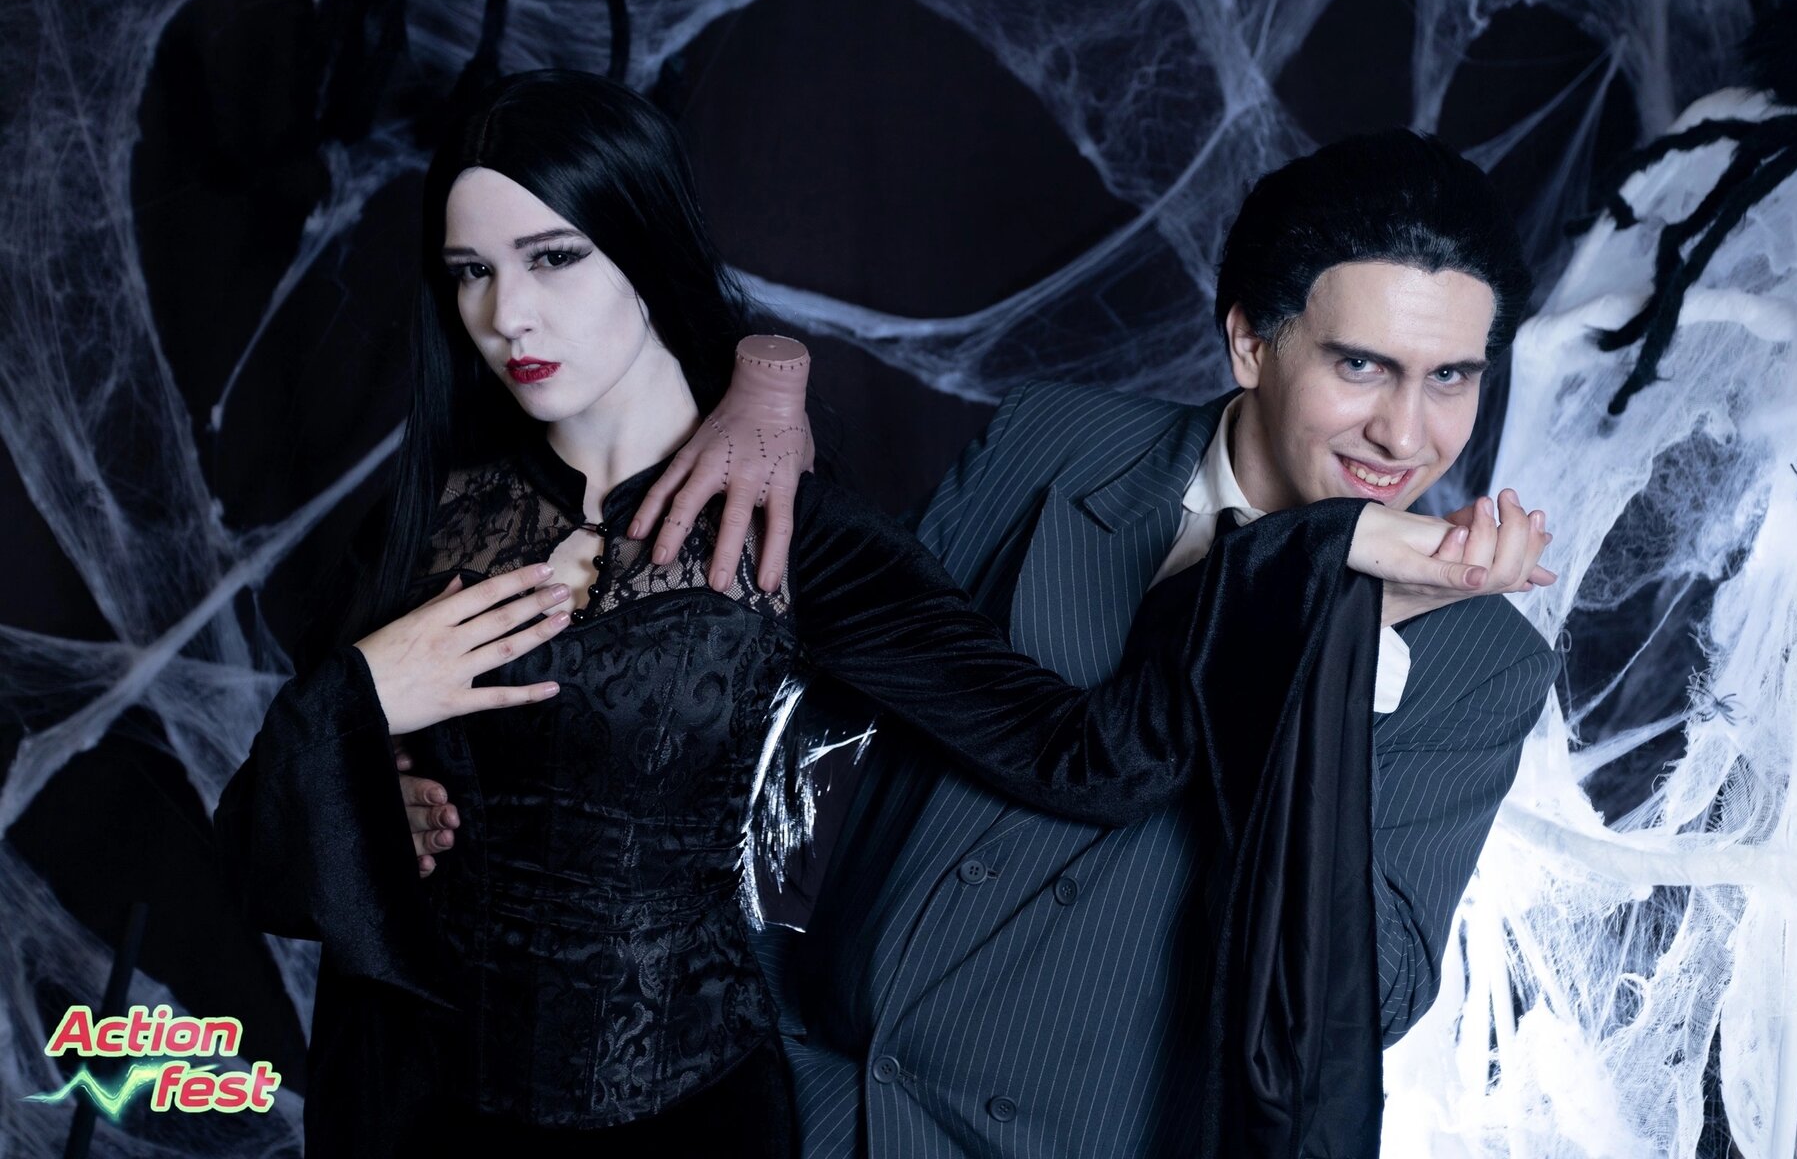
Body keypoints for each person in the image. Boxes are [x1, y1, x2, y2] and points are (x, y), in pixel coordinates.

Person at [213, 74, 1507, 1159]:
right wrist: (360, 730)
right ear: (1251, 344)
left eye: (554, 259)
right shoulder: (434, 515)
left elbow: (1107, 770)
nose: (509, 315)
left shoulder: (804, 534)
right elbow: (279, 851)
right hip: (471, 1103)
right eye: (471, 272)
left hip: (748, 1116)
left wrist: (1312, 581)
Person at [626, 129, 1561, 1157]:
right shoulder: (1052, 440)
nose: (1405, 433)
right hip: (807, 1106)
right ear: (1251, 343)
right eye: (1362, 365)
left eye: (1450, 377)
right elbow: (834, 707)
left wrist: (1337, 650)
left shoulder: (1486, 662)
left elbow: (1361, 1005)